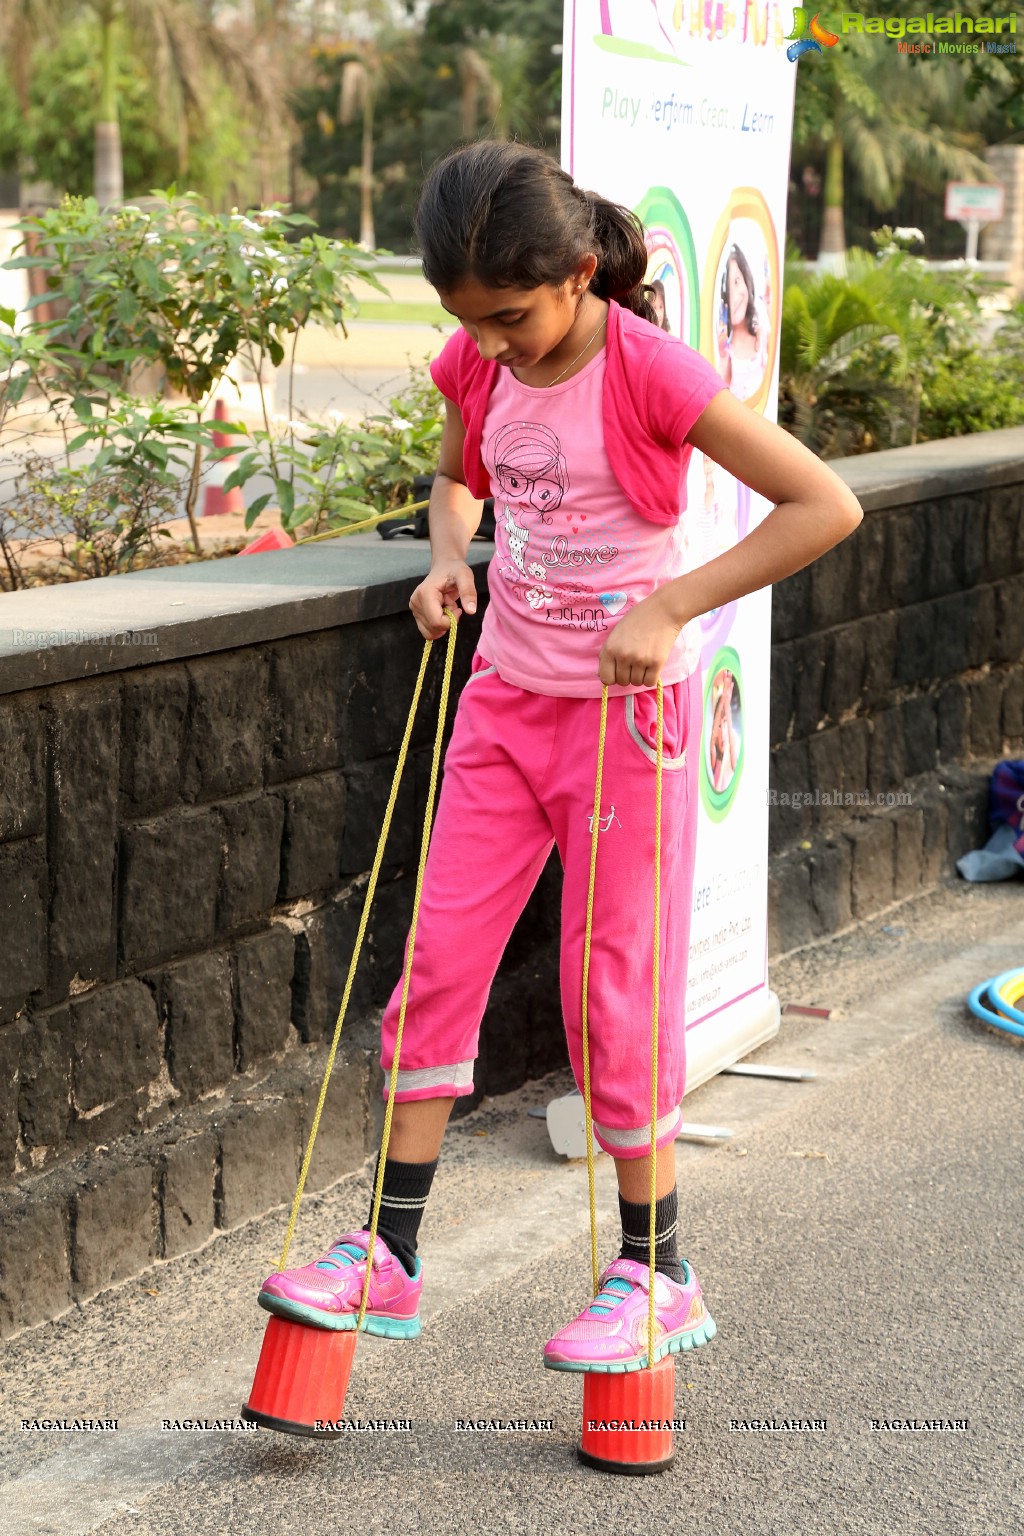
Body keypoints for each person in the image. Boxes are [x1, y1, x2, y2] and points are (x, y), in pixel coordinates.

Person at [259, 141, 862, 1373]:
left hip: (624, 725)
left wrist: (670, 607)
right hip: (501, 704)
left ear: (581, 274)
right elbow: (459, 476)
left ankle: (656, 1270)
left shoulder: (652, 373)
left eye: (511, 317)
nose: (489, 345)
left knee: (610, 992)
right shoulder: (477, 363)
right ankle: (390, 1254)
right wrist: (444, 558)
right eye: (467, 323)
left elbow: (823, 507)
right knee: (436, 959)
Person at [717, 242, 769, 402]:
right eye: (727, 288)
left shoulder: (764, 337)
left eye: (737, 281)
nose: (735, 296)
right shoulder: (722, 351)